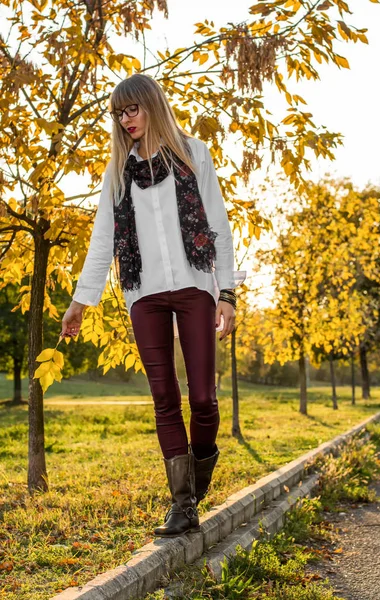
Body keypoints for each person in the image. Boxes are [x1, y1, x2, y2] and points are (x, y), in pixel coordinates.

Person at [61, 73, 246, 537]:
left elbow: (219, 224)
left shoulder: (192, 153)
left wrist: (227, 292)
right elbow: (103, 238)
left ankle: (197, 483)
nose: (126, 121)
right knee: (165, 398)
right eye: (118, 114)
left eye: (132, 110)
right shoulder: (117, 173)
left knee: (202, 397)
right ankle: (182, 504)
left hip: (194, 287)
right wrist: (81, 301)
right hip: (142, 293)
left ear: (152, 105)